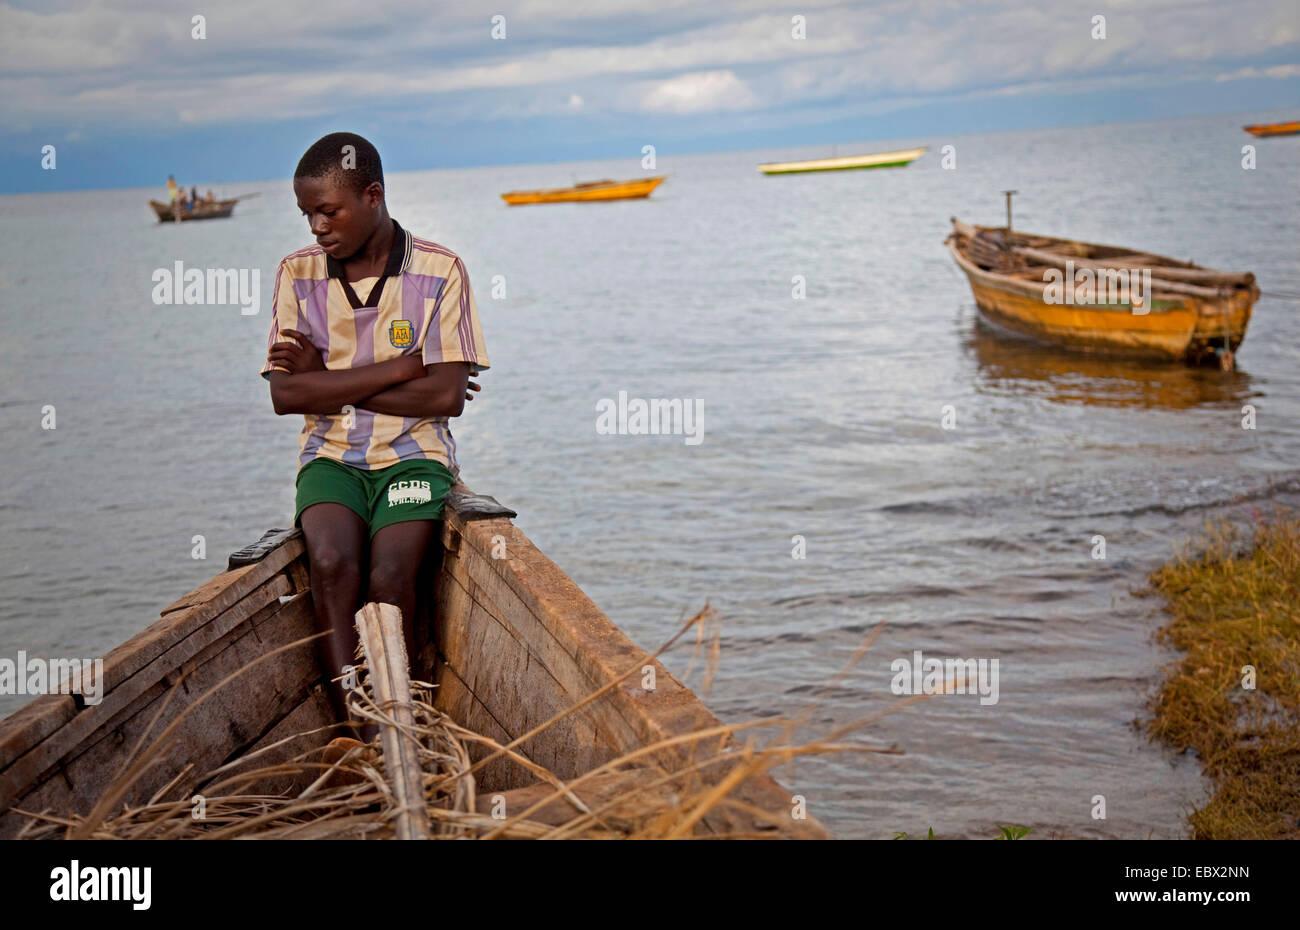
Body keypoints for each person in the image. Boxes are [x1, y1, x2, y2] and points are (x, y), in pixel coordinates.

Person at [261, 132, 487, 746]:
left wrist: (324, 379)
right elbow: (286, 397)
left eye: (328, 211)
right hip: (330, 456)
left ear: (373, 195)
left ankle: (401, 723)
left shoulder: (439, 270)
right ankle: (357, 732)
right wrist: (397, 367)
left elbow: (443, 401)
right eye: (307, 214)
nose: (316, 227)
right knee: (333, 564)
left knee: (391, 577)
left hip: (414, 455)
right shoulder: (298, 275)